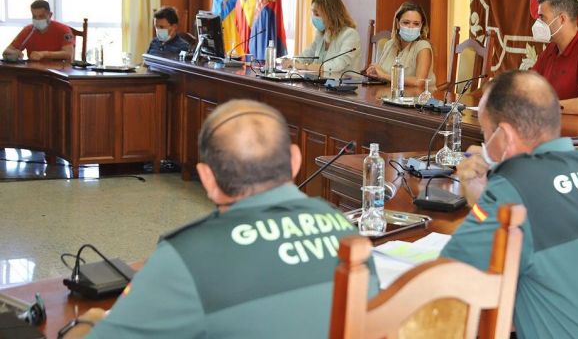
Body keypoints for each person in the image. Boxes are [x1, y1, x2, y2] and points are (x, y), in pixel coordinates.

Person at [61, 99, 368, 338]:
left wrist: (88, 321)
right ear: (295, 160)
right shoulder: (346, 231)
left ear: (207, 179)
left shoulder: (187, 256)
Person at [441, 70, 578, 338]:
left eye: (485, 132)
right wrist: (483, 201)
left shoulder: (515, 185)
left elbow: (448, 280)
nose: (484, 142)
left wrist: (480, 204)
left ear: (504, 135)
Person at [282, 0, 360, 76]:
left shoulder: (350, 35)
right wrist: (293, 62)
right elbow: (306, 55)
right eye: (313, 13)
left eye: (317, 14)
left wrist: (304, 66)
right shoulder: (321, 34)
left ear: (331, 14)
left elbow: (337, 65)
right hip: (320, 84)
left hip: (344, 85)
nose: (313, 17)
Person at [366, 1, 435, 88]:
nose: (411, 27)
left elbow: (419, 82)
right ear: (398, 24)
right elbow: (380, 73)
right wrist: (374, 72)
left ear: (421, 25)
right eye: (406, 22)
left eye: (416, 24)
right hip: (388, 96)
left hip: (415, 98)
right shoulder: (389, 45)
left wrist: (384, 76)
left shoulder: (423, 47)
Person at [2, 0, 74, 62]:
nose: (37, 19)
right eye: (34, 16)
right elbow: (7, 50)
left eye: (41, 16)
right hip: (34, 70)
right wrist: (14, 53)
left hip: (58, 71)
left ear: (50, 15)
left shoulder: (63, 30)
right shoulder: (28, 30)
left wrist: (44, 54)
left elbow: (69, 54)